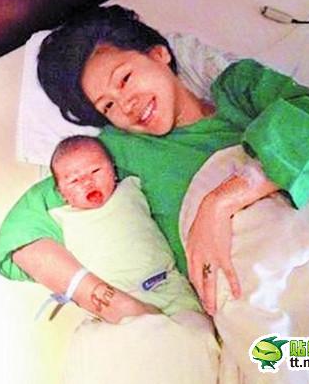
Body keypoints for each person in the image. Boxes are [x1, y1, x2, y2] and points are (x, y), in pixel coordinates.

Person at [0, 5, 309, 382]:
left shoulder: (237, 89)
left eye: (125, 79)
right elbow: (20, 233)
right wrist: (110, 303)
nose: (126, 105)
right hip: (255, 304)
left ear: (159, 54)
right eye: (108, 106)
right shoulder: (115, 155)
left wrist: (219, 204)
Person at [47, 134, 203, 318]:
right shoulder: (64, 217)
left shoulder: (130, 188)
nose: (88, 182)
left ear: (113, 171)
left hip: (165, 284)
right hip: (113, 303)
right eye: (74, 181)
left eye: (95, 171)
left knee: (195, 326)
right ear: (62, 194)